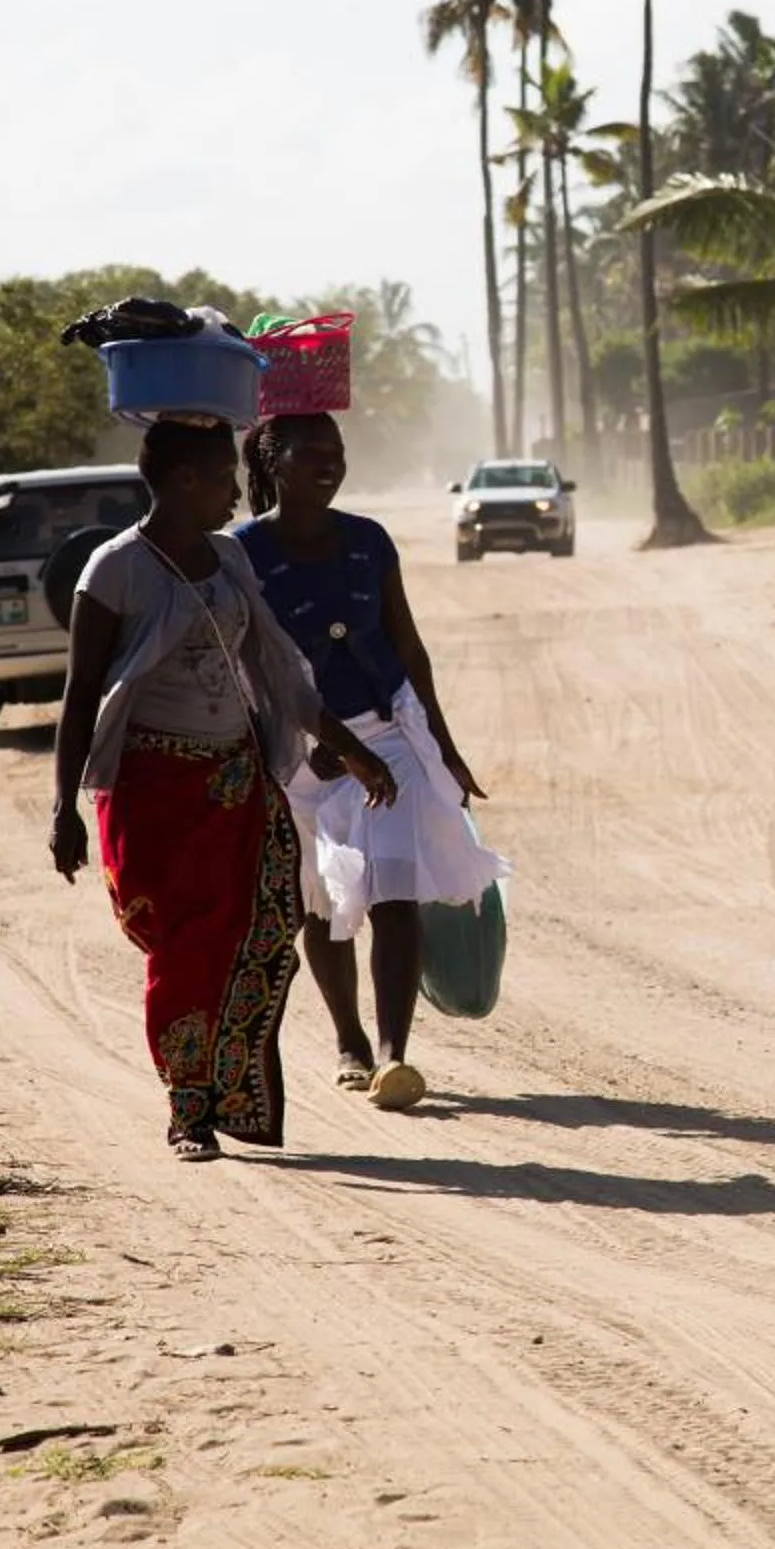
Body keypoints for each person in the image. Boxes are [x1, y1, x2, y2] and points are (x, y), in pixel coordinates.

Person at [51, 417, 397, 1161]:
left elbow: (277, 667)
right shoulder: (113, 571)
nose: (236, 494)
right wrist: (64, 809)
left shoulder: (232, 560)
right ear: (181, 482)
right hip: (150, 792)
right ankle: (187, 1109)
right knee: (181, 948)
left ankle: (225, 1095)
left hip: (238, 782)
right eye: (220, 478)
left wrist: (353, 749)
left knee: (262, 936)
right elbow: (81, 696)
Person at [236, 412, 507, 1114]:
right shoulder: (241, 552)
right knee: (324, 902)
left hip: (389, 736)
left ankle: (394, 1057)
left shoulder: (369, 540)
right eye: (312, 454)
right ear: (274, 458)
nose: (329, 465)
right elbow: (251, 668)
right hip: (300, 748)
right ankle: (349, 1041)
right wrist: (311, 748)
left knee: (393, 889)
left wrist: (443, 747)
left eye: (338, 453)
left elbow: (408, 650)